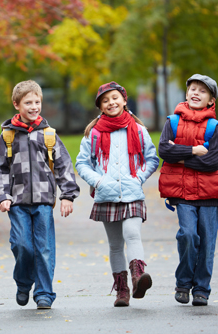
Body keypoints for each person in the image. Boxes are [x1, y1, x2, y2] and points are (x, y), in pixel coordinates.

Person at [0, 80, 80, 310]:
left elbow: (64, 165)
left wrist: (67, 195)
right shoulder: (8, 136)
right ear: (16, 105)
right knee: (22, 245)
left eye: (37, 102)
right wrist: (2, 196)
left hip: (43, 202)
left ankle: (44, 293)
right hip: (17, 203)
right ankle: (23, 282)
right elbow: (0, 168)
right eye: (28, 102)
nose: (33, 106)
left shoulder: (48, 135)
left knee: (44, 248)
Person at [75, 81, 159, 307]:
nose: (111, 102)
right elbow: (82, 163)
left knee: (132, 233)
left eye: (114, 98)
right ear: (100, 106)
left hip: (132, 193)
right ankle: (122, 290)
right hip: (106, 195)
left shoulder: (138, 129)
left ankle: (138, 276)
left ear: (124, 100)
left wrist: (138, 178)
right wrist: (98, 181)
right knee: (114, 244)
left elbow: (152, 159)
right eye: (105, 100)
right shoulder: (93, 133)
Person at [158, 74, 218, 307]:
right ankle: (183, 283)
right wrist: (194, 151)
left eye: (202, 91)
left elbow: (212, 162)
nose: (196, 93)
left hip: (208, 195)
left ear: (211, 100)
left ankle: (201, 288)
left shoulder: (214, 127)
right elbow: (164, 151)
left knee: (206, 243)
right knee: (188, 235)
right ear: (186, 94)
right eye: (192, 89)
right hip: (182, 193)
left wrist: (181, 157)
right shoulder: (172, 122)